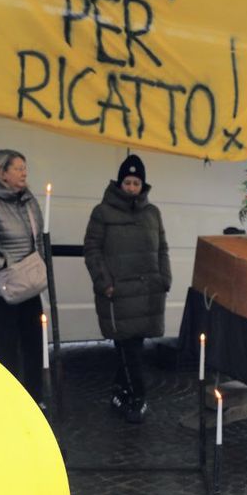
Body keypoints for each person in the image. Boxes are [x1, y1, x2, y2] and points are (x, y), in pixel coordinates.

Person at [84, 154, 171, 424]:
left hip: (147, 294)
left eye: (136, 183)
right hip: (119, 294)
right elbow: (92, 250)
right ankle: (138, 397)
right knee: (128, 349)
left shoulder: (152, 213)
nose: (132, 188)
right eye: (128, 182)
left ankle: (119, 392)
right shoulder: (102, 213)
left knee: (134, 347)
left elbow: (162, 248)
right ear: (119, 183)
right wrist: (105, 283)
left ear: (142, 185)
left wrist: (164, 278)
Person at [0, 150, 46, 404]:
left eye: (25, 168)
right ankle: (9, 401)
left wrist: (38, 265)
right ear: (2, 173)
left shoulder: (28, 201)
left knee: (34, 343)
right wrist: (2, 264)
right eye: (18, 168)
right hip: (0, 290)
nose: (24, 173)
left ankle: (34, 398)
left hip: (28, 285)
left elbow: (38, 239)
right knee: (6, 347)